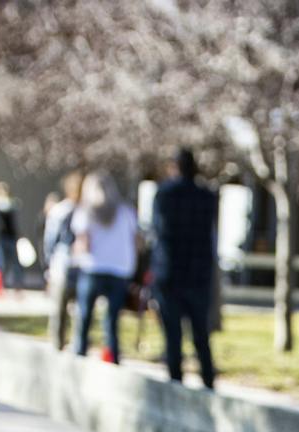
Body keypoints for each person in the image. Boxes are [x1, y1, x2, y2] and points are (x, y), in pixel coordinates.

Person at [151, 148, 219, 389]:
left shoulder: (165, 195)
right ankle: (208, 380)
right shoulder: (206, 197)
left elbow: (159, 232)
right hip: (198, 274)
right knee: (200, 334)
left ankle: (176, 381)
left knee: (174, 335)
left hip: (172, 274)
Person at [71, 170, 139, 361]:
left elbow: (83, 243)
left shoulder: (86, 210)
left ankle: (80, 354)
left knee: (84, 317)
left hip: (93, 268)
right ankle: (113, 357)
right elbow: (135, 241)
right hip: (119, 270)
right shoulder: (126, 211)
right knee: (112, 321)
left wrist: (72, 255)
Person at [44, 172, 83, 350]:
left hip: (63, 264)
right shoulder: (79, 211)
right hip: (75, 265)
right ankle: (75, 345)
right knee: (78, 311)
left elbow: (49, 242)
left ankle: (58, 345)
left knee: (60, 311)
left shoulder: (60, 211)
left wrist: (48, 265)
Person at [0, 181, 23, 290]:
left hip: (11, 238)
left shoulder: (11, 204)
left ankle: (17, 285)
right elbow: (0, 208)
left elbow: (13, 207)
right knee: (0, 264)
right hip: (0, 239)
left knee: (15, 264)